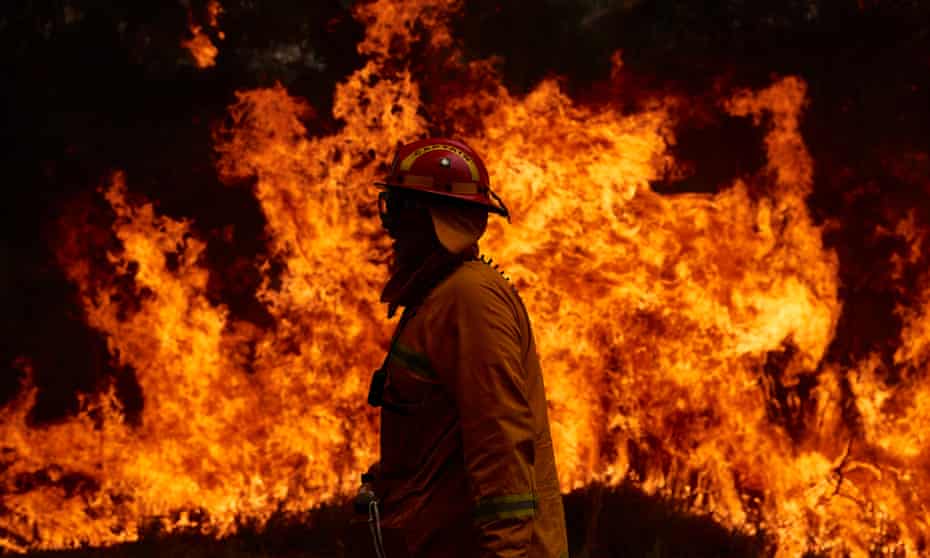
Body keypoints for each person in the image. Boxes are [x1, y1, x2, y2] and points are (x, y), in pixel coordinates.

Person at [356, 138, 569, 558]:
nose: (390, 228)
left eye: (398, 210)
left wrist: (504, 554)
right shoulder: (438, 297)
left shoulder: (470, 300)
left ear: (429, 217)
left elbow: (500, 444)